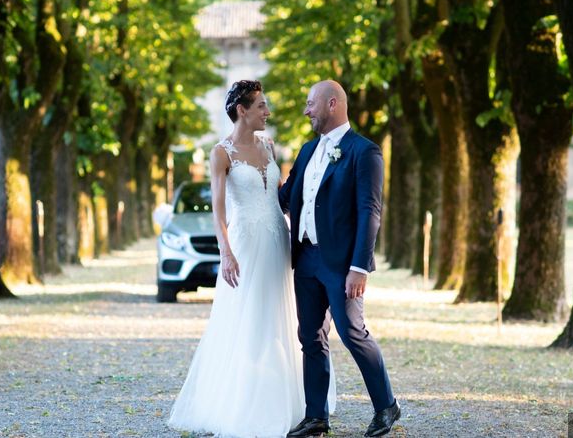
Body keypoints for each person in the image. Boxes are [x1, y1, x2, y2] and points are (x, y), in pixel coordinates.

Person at [168, 80, 334, 438]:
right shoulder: (221, 153)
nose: (267, 112)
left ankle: (292, 403)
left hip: (278, 239)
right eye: (261, 106)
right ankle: (247, 404)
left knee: (280, 317)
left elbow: (280, 197)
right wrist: (225, 252)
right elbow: (219, 209)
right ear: (242, 110)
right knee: (251, 318)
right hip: (245, 246)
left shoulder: (269, 145)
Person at [279, 80, 400, 438]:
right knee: (310, 337)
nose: (306, 111)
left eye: (310, 103)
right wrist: (260, 167)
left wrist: (359, 267)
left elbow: (369, 212)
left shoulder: (365, 152)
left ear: (332, 104)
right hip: (306, 260)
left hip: (343, 265)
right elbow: (287, 198)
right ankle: (316, 416)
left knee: (351, 333)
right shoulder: (305, 151)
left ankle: (386, 406)